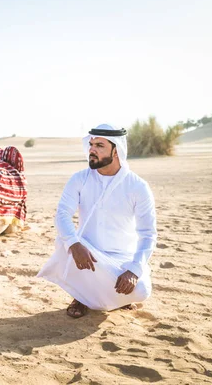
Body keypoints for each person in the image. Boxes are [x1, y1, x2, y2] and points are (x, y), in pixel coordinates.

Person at [37, 123, 157, 318]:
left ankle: (115, 297)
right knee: (65, 242)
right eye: (91, 144)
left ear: (116, 151)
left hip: (121, 259)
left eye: (100, 146)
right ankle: (81, 298)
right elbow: (62, 214)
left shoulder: (137, 186)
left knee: (142, 290)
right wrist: (75, 244)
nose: (92, 150)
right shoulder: (79, 179)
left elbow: (148, 234)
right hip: (87, 253)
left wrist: (134, 271)